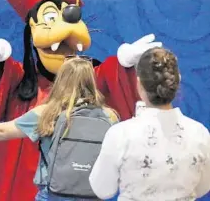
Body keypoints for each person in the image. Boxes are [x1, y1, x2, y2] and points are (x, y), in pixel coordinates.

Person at [0, 57, 118, 201]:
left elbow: (3, 130)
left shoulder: (48, 112)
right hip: (92, 193)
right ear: (91, 81)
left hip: (53, 193)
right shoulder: (109, 115)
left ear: (61, 80)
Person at [89, 47, 210, 201]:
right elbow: (202, 187)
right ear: (177, 80)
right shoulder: (200, 133)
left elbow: (102, 189)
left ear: (139, 84)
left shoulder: (121, 134)